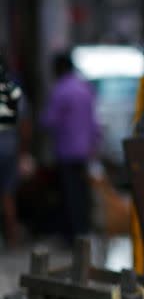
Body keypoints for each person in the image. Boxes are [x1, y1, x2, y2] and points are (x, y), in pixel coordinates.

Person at [41, 51, 100, 243]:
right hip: (84, 150)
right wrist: (94, 144)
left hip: (67, 150)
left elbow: (49, 121)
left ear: (59, 68)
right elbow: (93, 122)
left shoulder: (61, 90)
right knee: (81, 192)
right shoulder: (85, 88)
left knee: (69, 193)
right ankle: (83, 230)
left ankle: (72, 236)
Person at [0, 54, 23, 246]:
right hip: (9, 149)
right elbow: (25, 123)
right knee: (8, 195)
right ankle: (12, 237)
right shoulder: (13, 91)